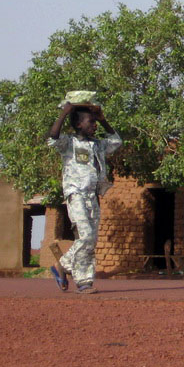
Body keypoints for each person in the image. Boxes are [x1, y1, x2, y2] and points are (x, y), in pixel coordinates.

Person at [48, 100, 121, 294]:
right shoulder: (69, 143)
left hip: (92, 196)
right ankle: (83, 281)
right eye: (91, 122)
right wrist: (65, 112)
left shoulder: (98, 145)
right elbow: (53, 137)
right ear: (79, 124)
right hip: (76, 194)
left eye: (95, 122)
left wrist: (103, 119)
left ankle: (62, 266)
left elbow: (116, 141)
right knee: (86, 236)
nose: (94, 125)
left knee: (91, 239)